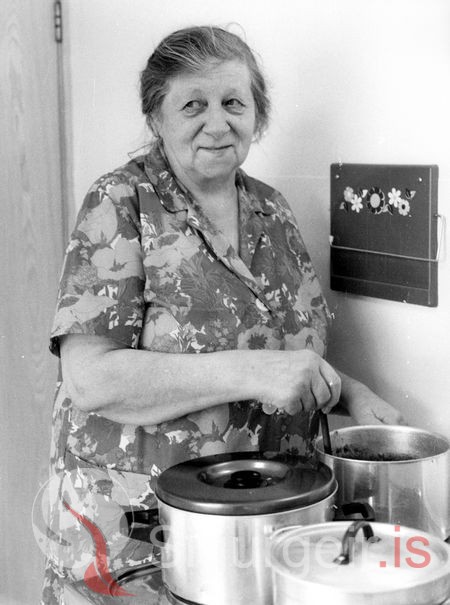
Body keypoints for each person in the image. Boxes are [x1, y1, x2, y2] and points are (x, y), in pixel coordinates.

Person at [41, 25, 404, 604]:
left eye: (234, 103)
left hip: (266, 527)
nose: (217, 123)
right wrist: (250, 372)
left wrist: (353, 394)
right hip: (142, 540)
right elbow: (90, 379)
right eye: (193, 105)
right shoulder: (120, 202)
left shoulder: (273, 210)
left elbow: (285, 357)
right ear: (156, 117)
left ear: (257, 116)